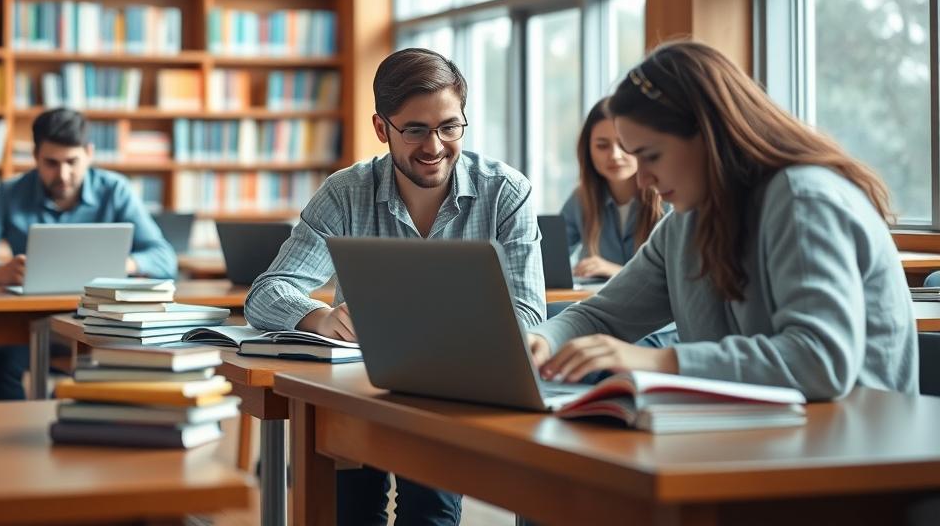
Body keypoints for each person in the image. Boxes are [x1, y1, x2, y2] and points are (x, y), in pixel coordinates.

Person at [245, 47, 544, 526]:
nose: (435, 146)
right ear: (382, 128)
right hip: (358, 393)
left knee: (431, 515)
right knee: (348, 512)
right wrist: (319, 317)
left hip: (452, 396)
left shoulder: (505, 192)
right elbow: (266, 292)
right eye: (416, 130)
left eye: (450, 126)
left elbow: (529, 316)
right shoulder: (346, 192)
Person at [529, 41, 918, 399]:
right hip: (762, 438)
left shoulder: (803, 198)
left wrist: (660, 362)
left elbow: (820, 361)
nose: (642, 179)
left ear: (709, 135)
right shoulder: (685, 223)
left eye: (651, 156)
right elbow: (603, 315)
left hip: (855, 447)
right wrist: (543, 340)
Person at [0, 108, 176, 401]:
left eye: (72, 162)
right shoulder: (11, 193)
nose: (62, 175)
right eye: (51, 163)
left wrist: (125, 263)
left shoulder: (116, 190)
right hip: (26, 321)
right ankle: (11, 441)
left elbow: (165, 258)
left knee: (124, 364)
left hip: (102, 319)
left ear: (89, 153)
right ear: (36, 157)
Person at [560, 98, 666, 280]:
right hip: (595, 303)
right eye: (602, 146)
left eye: (624, 144)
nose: (615, 155)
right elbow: (548, 258)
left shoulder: (668, 199)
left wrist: (616, 271)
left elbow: (674, 279)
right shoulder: (581, 199)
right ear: (588, 150)